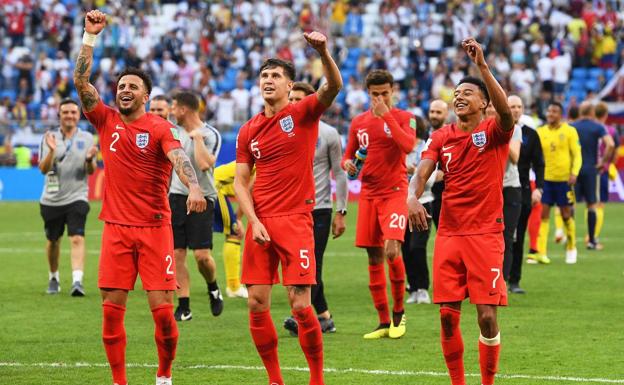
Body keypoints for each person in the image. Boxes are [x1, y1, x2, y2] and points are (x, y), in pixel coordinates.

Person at [74, 10, 207, 385]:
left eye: (133, 86)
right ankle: (119, 381)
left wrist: (194, 186)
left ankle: (164, 376)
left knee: (163, 315)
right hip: (116, 229)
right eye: (121, 86)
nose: (125, 90)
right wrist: (90, 36)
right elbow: (81, 80)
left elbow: (178, 158)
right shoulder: (105, 120)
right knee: (111, 312)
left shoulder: (160, 127)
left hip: (154, 229)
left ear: (146, 95)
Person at [233, 32, 342, 385]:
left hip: (296, 219)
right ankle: (275, 379)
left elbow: (333, 86)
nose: (268, 80)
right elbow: (240, 181)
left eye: (275, 76)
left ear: (289, 84)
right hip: (260, 223)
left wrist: (323, 51)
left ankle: (316, 379)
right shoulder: (248, 129)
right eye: (264, 76)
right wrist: (253, 221)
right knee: (256, 303)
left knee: (299, 305)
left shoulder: (303, 114)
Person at [407, 38, 514, 385]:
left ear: (484, 103)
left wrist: (482, 66)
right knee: (447, 317)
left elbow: (508, 114)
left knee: (486, 317)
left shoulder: (495, 132)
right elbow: (422, 172)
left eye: (469, 92)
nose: (460, 96)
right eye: (457, 92)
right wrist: (412, 197)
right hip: (450, 233)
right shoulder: (440, 136)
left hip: (485, 234)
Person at [342, 69, 415, 339]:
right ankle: (383, 322)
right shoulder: (358, 122)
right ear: (367, 93)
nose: (380, 98)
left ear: (393, 91)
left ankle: (399, 314)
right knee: (373, 257)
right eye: (375, 94)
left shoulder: (405, 118)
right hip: (369, 195)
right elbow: (348, 157)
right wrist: (347, 163)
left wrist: (386, 115)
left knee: (392, 250)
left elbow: (407, 145)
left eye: (385, 93)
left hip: (395, 192)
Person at [283, 82, 348, 336]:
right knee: (297, 265)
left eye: (299, 99)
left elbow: (340, 173)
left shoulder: (329, 133)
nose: (294, 103)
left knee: (311, 266)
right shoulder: (282, 129)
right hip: (291, 208)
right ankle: (324, 317)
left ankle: (303, 317)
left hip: (319, 208)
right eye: (292, 98)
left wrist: (341, 211)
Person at [168, 90, 223, 321]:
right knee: (177, 253)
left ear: (183, 109)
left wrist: (197, 139)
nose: (171, 111)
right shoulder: (171, 132)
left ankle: (213, 287)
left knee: (202, 256)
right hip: (177, 197)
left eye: (173, 106)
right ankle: (184, 305)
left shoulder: (210, 134)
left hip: (204, 198)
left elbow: (203, 164)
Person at [38, 98, 97, 296]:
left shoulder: (88, 138)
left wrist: (89, 160)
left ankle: (77, 281)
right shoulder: (49, 137)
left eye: (73, 112)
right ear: (59, 115)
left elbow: (90, 170)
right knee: (53, 241)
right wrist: (52, 150)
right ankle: (53, 277)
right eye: (65, 112)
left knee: (77, 237)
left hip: (77, 196)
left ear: (79, 115)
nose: (70, 116)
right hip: (51, 199)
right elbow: (43, 169)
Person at [535, 102, 582, 264]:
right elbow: (537, 156)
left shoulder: (570, 131)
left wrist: (574, 173)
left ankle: (571, 247)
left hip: (564, 180)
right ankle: (541, 251)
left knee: (566, 215)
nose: (550, 114)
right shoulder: (540, 132)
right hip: (546, 180)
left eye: (554, 111)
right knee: (544, 214)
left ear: (560, 114)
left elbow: (577, 154)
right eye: (549, 111)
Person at [509, 95, 544, 293]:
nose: (515, 110)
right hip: (498, 189)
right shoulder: (494, 129)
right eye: (511, 106)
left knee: (519, 235)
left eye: (518, 106)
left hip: (522, 190)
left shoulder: (530, 134)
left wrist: (539, 188)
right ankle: (497, 278)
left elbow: (539, 163)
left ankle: (514, 280)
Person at [570, 101, 614, 250]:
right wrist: (603, 162)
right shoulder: (598, 126)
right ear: (592, 112)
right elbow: (611, 144)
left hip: (574, 170)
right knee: (592, 205)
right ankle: (591, 241)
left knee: (571, 204)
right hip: (590, 169)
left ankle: (571, 240)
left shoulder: (572, 126)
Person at [403, 115, 433, 305]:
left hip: (424, 201)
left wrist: (413, 173)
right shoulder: (401, 149)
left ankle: (423, 288)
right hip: (401, 205)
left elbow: (429, 180)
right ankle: (413, 287)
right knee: (405, 247)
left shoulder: (426, 149)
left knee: (417, 246)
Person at [213, 160, 248, 299]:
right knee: (235, 233)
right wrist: (238, 218)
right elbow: (249, 192)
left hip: (213, 184)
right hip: (215, 187)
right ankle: (233, 287)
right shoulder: (262, 164)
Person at [593, 102, 619, 246]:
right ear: (606, 115)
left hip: (588, 169)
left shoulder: (589, 128)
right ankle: (593, 236)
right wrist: (608, 163)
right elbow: (614, 151)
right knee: (600, 204)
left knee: (587, 204)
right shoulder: (611, 130)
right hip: (602, 170)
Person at [427, 99, 449, 228]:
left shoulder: (453, 135)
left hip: (444, 194)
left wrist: (445, 173)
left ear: (446, 114)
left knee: (447, 233)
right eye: (432, 112)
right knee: (414, 244)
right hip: (423, 194)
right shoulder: (422, 134)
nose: (434, 115)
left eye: (438, 112)